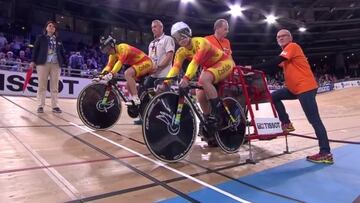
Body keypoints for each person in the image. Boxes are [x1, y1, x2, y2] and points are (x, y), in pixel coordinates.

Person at [245, 29, 333, 164]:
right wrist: (254, 72)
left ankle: (325, 152)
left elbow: (275, 62)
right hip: (295, 89)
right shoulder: (286, 53)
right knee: (274, 96)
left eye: (283, 36)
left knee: (314, 120)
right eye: (278, 37)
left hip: (305, 88)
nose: (280, 38)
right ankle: (286, 123)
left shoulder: (292, 47)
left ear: (290, 37)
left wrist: (251, 67)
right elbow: (273, 67)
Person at [162, 21, 235, 131]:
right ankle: (207, 119)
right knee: (199, 92)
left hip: (224, 62)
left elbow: (195, 62)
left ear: (189, 32)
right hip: (209, 67)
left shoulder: (201, 42)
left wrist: (186, 78)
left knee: (204, 79)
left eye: (183, 34)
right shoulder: (180, 52)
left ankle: (217, 115)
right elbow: (175, 68)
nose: (181, 38)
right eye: (178, 37)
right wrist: (165, 83)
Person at [134, 19, 175, 125]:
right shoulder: (152, 43)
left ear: (161, 27)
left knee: (164, 98)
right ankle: (143, 117)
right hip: (152, 74)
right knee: (143, 94)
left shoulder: (167, 39)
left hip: (164, 75)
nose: (153, 29)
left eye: (155, 27)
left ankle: (169, 119)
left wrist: (159, 66)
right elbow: (149, 59)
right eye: (152, 27)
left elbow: (169, 56)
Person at [96, 35, 154, 106]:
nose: (108, 52)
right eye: (105, 50)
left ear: (112, 44)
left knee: (127, 73)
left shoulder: (123, 47)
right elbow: (109, 66)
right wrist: (100, 76)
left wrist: (112, 73)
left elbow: (120, 62)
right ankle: (137, 103)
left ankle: (136, 99)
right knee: (128, 84)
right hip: (138, 65)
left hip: (146, 62)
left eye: (107, 49)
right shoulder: (112, 55)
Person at [30, 20, 66, 113]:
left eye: (53, 27)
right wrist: (33, 61)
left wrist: (64, 62)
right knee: (42, 85)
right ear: (46, 28)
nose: (51, 27)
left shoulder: (58, 40)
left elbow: (62, 52)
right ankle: (40, 106)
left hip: (56, 64)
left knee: (55, 86)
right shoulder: (41, 38)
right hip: (42, 63)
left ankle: (55, 106)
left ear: (55, 30)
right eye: (50, 26)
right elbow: (35, 50)